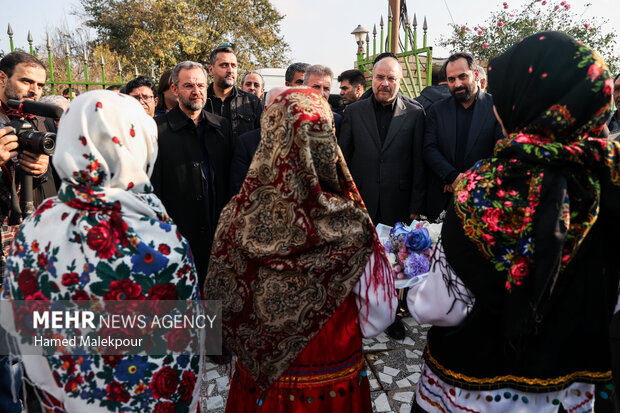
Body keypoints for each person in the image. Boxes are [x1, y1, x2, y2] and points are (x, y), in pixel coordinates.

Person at [407, 31, 620, 413]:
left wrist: (411, 288)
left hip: (473, 385)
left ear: (523, 102)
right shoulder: (610, 177)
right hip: (575, 388)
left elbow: (440, 307)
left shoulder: (479, 189)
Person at [2, 90, 202, 412]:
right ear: (138, 144)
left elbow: (17, 330)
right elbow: (184, 345)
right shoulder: (162, 236)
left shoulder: (36, 228)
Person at [205, 88, 397, 412]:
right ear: (325, 139)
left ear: (271, 136)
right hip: (332, 378)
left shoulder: (237, 216)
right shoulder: (351, 223)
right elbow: (380, 315)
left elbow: (219, 300)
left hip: (260, 382)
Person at [152, 61, 233, 286]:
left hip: (217, 232)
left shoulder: (221, 126)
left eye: (201, 85)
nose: (196, 91)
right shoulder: (156, 128)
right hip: (177, 234)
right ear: (175, 90)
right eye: (189, 86)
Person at [423, 52, 503, 221]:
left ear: (475, 75)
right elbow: (429, 148)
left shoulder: (496, 107)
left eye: (462, 76)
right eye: (451, 79)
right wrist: (451, 176)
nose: (457, 83)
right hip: (442, 199)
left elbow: (500, 151)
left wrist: (467, 180)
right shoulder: (437, 110)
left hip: (482, 198)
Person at [229, 86, 288, 196]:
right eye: (276, 103)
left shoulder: (303, 142)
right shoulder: (246, 143)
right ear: (265, 109)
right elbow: (238, 189)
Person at [205, 46, 262, 138]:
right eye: (224, 65)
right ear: (211, 70)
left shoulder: (252, 102)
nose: (230, 70)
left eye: (233, 66)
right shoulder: (200, 100)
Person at [303, 65, 343, 134]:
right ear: (303, 87)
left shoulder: (337, 121)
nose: (321, 93)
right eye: (316, 87)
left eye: (326, 89)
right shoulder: (288, 117)